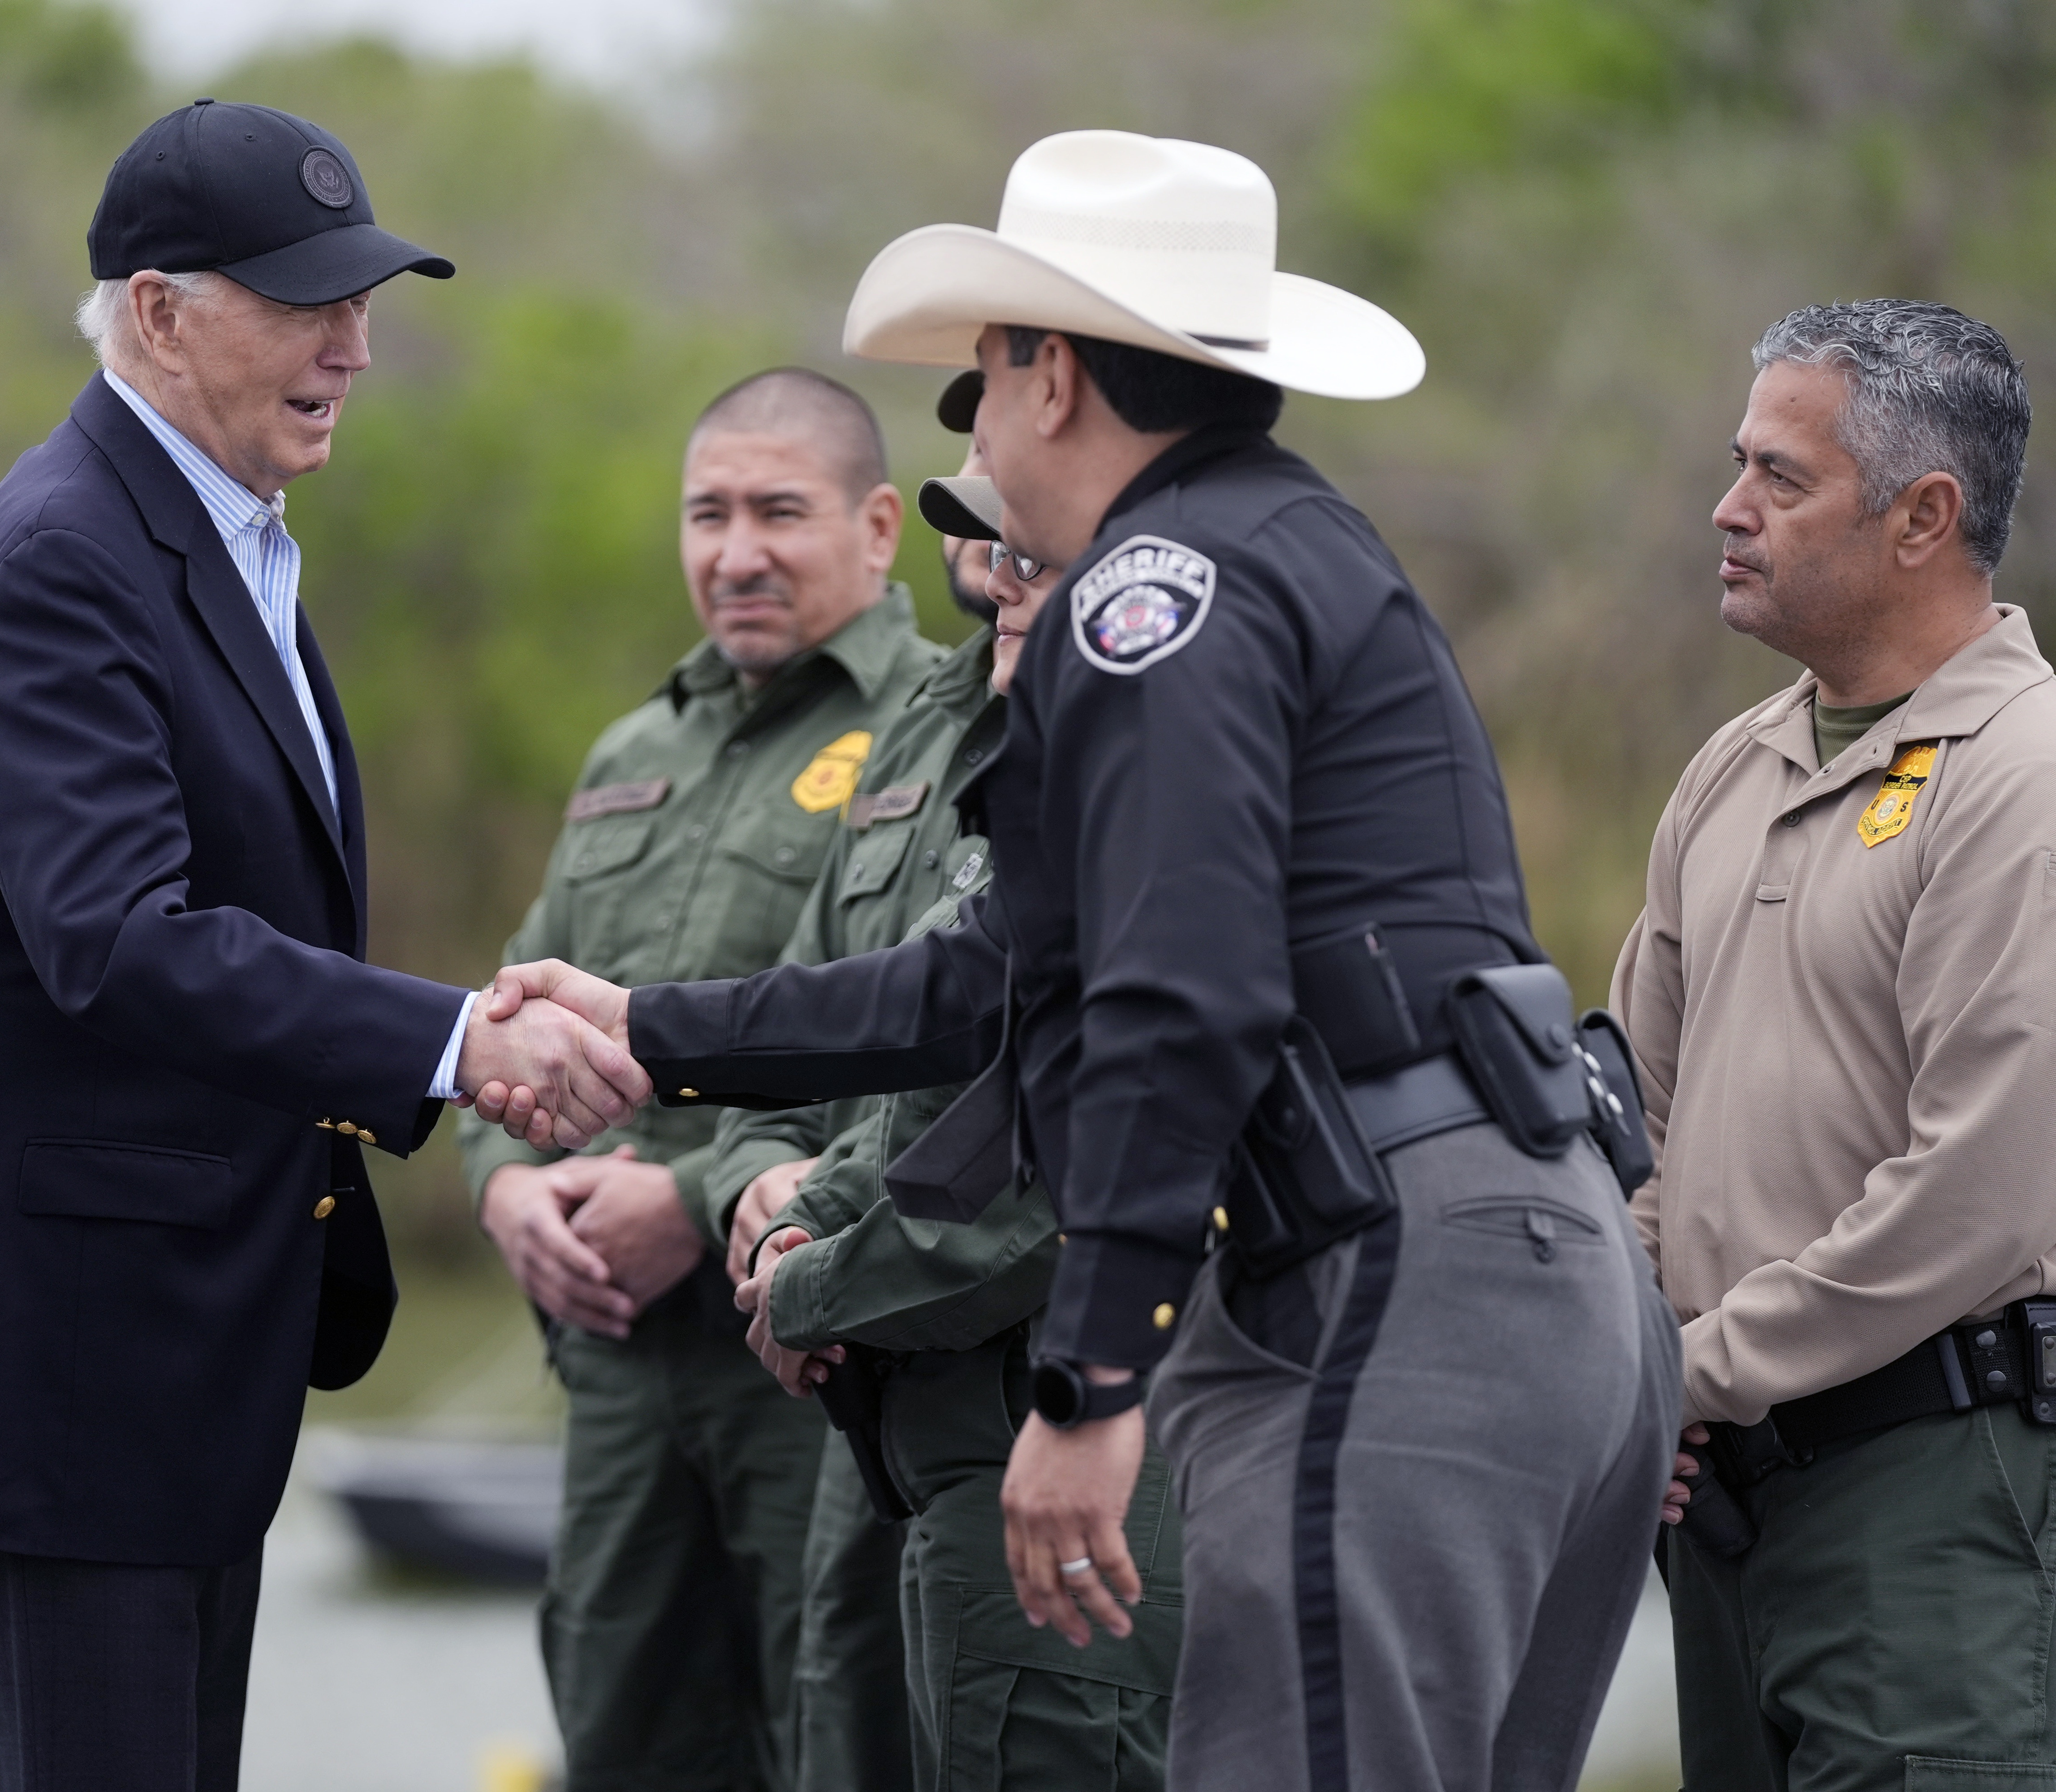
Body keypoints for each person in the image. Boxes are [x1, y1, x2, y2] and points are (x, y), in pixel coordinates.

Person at [479, 129, 1681, 1792]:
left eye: (983, 374)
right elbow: (986, 983)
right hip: (1525, 1267)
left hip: (1391, 1280)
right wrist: (651, 1029)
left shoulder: (1155, 592)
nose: (977, 420)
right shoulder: (1279, 545)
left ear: (1052, 374)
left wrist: (1095, 1379)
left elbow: (1174, 1004)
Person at [0, 100, 645, 1792]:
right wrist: (455, 1042)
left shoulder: (221, 536)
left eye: (363, 301)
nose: (352, 346)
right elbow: (120, 941)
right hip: (64, 1385)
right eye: (302, 303)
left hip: (170, 1375)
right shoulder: (65, 557)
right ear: (157, 312)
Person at [458, 367, 944, 1792]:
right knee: (622, 1728)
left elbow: (945, 1035)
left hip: (811, 1359)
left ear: (876, 526)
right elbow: (514, 997)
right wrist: (502, 1194)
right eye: (708, 513)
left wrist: (689, 1192)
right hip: (617, 1372)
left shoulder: (938, 733)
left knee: (838, 1730)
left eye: (779, 512)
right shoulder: (632, 751)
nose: (736, 552)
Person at [1621, 301, 2056, 1791]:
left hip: (1933, 1501)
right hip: (1723, 1502)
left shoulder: (2026, 779)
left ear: (1924, 515)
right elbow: (1635, 1124)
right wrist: (1634, 1358)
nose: (1729, 511)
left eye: (1782, 479)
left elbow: (1978, 1192)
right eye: (1739, 465)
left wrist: (1683, 1375)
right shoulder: (1732, 768)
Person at [722, 416, 1187, 1791]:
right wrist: (791, 1211)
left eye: (1035, 551)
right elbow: (912, 1074)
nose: (994, 571)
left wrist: (804, 1292)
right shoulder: (1008, 774)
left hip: (1075, 1455)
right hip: (938, 1441)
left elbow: (1055, 1181)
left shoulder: (1157, 804)